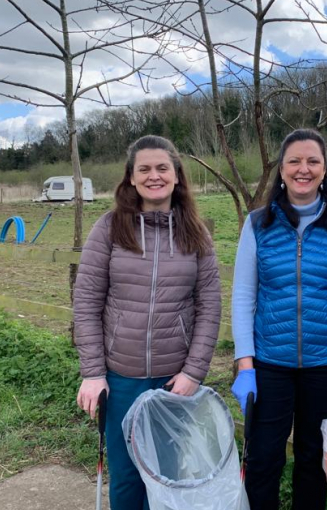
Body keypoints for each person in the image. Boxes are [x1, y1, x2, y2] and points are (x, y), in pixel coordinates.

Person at [73, 135, 222, 510]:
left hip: (174, 382)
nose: (154, 176)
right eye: (145, 169)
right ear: (131, 177)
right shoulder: (108, 229)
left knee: (167, 474)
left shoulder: (196, 233)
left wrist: (193, 373)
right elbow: (87, 302)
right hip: (120, 378)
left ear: (176, 176)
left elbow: (209, 307)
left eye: (162, 168)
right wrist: (93, 373)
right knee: (126, 477)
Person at [230, 129, 327, 510]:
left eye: (313, 161)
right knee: (263, 460)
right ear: (282, 169)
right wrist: (245, 364)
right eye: (294, 161)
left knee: (313, 460)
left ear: (325, 170)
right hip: (269, 364)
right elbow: (244, 296)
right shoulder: (258, 223)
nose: (303, 169)